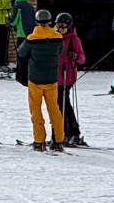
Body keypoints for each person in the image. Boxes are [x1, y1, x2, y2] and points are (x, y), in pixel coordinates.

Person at [18, 15, 66, 151]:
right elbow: (60, 51)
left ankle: (39, 140)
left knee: (36, 109)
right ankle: (58, 139)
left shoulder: (32, 38)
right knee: (54, 109)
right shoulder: (57, 38)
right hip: (52, 78)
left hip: (35, 79)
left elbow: (21, 52)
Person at [55, 11, 87, 147]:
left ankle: (69, 132)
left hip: (67, 76)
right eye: (59, 25)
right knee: (61, 105)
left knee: (62, 104)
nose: (62, 28)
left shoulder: (74, 39)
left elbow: (82, 58)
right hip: (55, 77)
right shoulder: (54, 37)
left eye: (64, 25)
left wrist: (75, 57)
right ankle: (70, 131)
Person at [9, 0, 38, 85]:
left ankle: (21, 75)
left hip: (22, 34)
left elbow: (14, 20)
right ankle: (28, 73)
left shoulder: (18, 6)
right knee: (28, 55)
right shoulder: (30, 6)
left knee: (21, 54)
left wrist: (8, 22)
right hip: (31, 34)